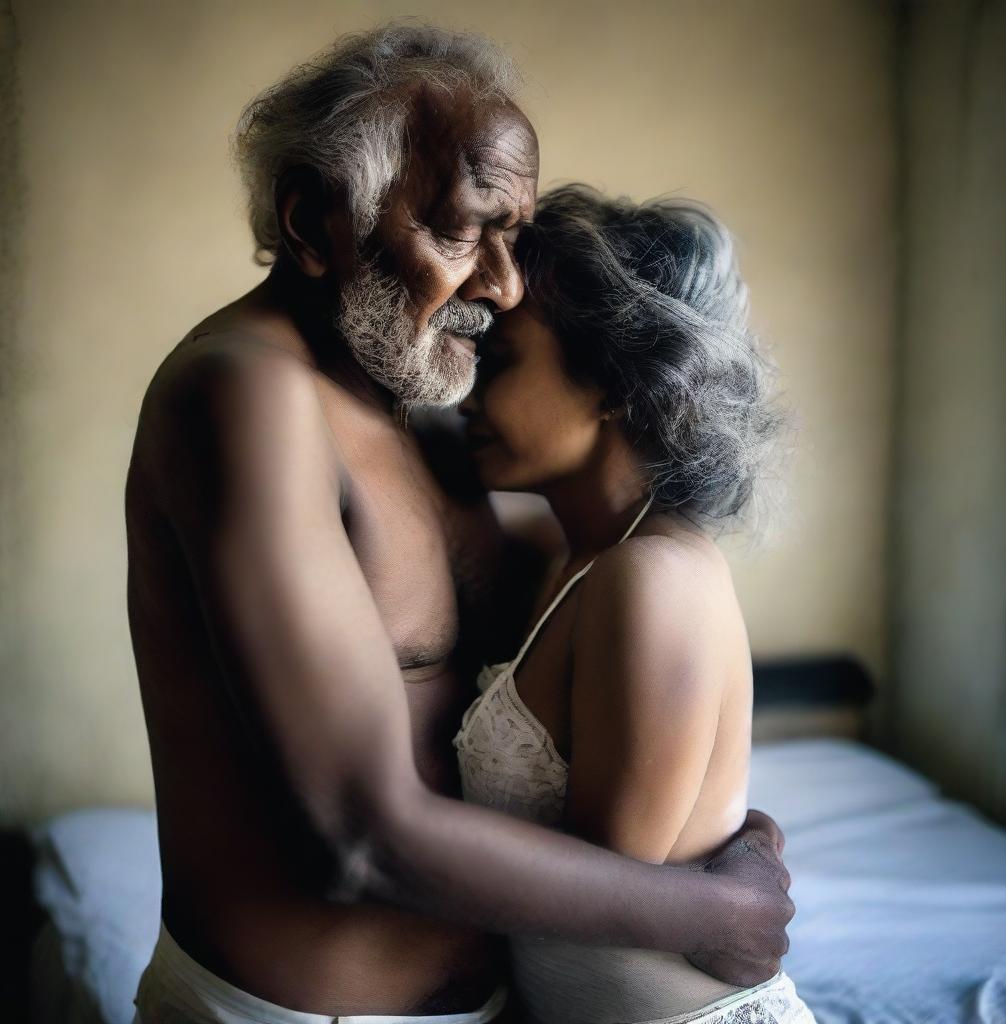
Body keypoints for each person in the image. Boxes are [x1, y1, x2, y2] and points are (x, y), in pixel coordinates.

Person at [126, 24, 793, 1024]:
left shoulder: (433, 401)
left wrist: (730, 840)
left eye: (512, 235)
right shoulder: (244, 394)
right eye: (460, 229)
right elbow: (354, 835)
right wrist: (703, 911)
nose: (504, 284)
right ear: (315, 223)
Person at [455, 185, 814, 1023]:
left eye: (498, 362)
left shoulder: (651, 579)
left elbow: (594, 893)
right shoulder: (568, 557)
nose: (465, 396)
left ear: (615, 382)